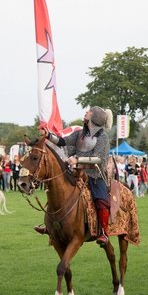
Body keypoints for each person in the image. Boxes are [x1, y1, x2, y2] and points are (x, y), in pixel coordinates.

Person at [38, 106, 112, 247]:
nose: (86, 112)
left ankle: (103, 232)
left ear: (95, 117)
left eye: (89, 111)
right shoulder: (80, 134)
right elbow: (62, 141)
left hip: (95, 175)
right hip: (76, 172)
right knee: (58, 191)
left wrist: (77, 160)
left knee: (101, 201)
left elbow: (98, 159)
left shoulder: (103, 138)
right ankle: (50, 225)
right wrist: (48, 135)